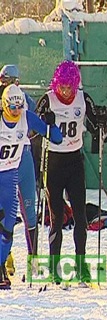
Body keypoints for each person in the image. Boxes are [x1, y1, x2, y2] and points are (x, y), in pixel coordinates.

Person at [35, 60, 107, 284]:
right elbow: (34, 124)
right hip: (54, 161)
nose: (65, 91)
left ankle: (81, 266)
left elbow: (94, 121)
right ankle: (54, 266)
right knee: (56, 217)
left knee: (80, 216)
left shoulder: (82, 97)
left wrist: (103, 123)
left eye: (69, 87)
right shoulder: (48, 99)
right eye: (62, 86)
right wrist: (45, 122)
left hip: (74, 160)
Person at [0, 84, 62, 289]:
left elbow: (56, 138)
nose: (17, 111)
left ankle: (33, 265)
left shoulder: (26, 116)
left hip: (17, 167)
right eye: (13, 107)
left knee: (23, 217)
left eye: (19, 106)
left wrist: (51, 124)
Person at [0, 65, 39, 277]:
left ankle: (34, 266)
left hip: (22, 156)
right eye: (2, 81)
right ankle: (5, 264)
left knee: (29, 212)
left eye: (8, 81)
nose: (4, 85)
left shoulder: (24, 100)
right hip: (3, 160)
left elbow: (35, 124)